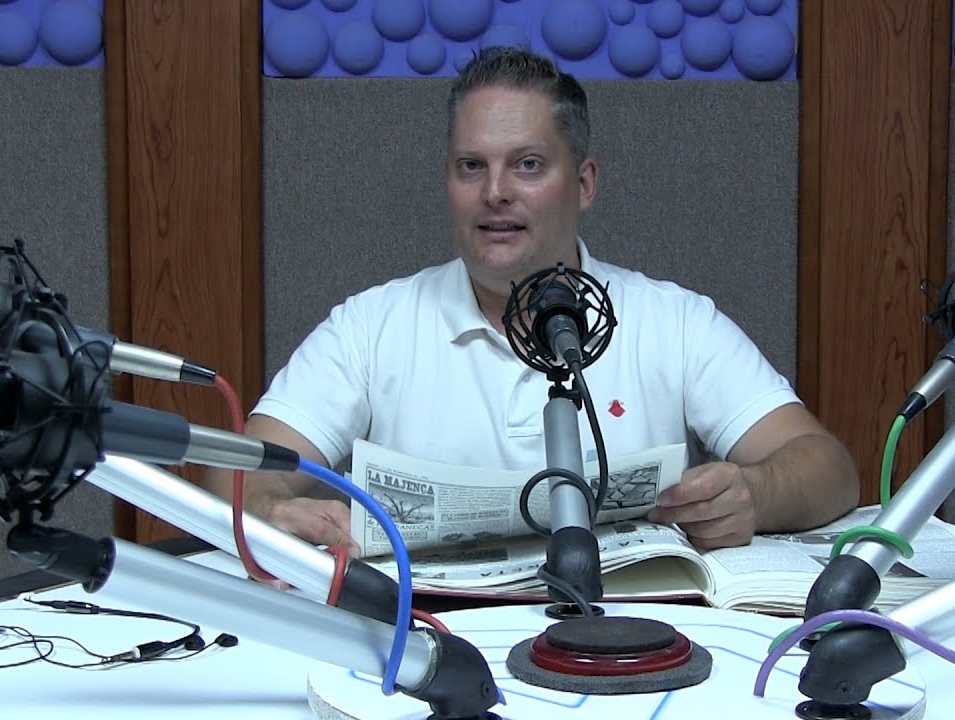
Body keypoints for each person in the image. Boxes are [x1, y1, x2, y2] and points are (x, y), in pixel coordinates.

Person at [204, 47, 859, 557]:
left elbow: (829, 469)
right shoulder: (368, 328)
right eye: (470, 166)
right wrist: (269, 510)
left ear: (583, 183)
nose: (495, 192)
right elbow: (229, 476)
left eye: (526, 165)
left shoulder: (677, 322)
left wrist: (757, 493)